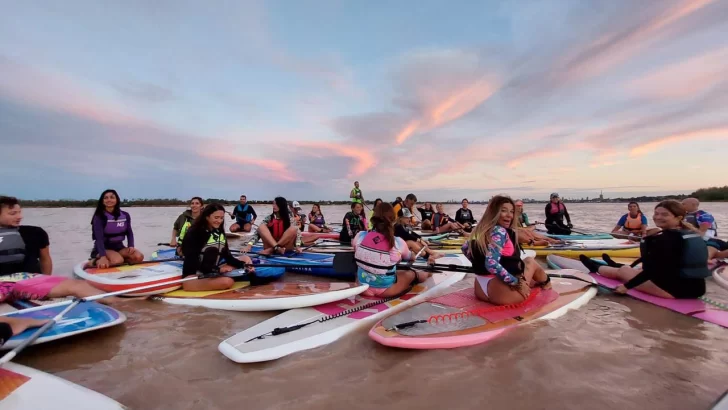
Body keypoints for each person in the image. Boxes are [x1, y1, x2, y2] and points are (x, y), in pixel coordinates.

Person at [579, 200, 708, 299]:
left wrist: (625, 287)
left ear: (678, 218)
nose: (658, 217)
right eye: (656, 213)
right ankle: (610, 265)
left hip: (675, 290)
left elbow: (652, 270)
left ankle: (595, 268)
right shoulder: (693, 234)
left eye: (664, 214)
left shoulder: (666, 238)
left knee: (624, 272)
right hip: (698, 288)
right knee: (634, 270)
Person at [462, 195, 551, 305]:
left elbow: (465, 248)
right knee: (529, 261)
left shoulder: (480, 229)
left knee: (528, 276)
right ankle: (547, 283)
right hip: (500, 294)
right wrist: (516, 282)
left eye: (512, 211)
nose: (509, 215)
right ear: (494, 212)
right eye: (504, 211)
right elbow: (491, 263)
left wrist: (480, 264)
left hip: (480, 288)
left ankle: (535, 282)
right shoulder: (500, 231)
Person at [352, 203, 429, 297]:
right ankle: (429, 272)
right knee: (411, 274)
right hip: (386, 290)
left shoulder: (360, 235)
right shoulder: (398, 242)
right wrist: (411, 256)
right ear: (393, 220)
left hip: (362, 288)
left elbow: (358, 249)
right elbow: (410, 257)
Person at [181, 203, 255, 291]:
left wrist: (244, 265)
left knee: (245, 258)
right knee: (228, 282)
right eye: (216, 218)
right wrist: (218, 269)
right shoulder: (194, 233)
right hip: (194, 276)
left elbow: (228, 257)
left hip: (213, 272)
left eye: (221, 218)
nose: (219, 221)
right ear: (207, 217)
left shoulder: (219, 233)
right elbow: (193, 261)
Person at [90, 189, 144, 269]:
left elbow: (129, 232)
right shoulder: (99, 217)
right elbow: (99, 239)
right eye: (106, 198)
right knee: (117, 261)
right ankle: (93, 261)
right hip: (103, 248)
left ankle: (119, 259)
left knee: (139, 257)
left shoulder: (125, 215)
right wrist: (103, 256)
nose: (109, 200)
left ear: (116, 200)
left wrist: (131, 246)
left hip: (119, 247)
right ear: (102, 201)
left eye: (112, 197)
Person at [0, 196, 53, 275]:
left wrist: (46, 280)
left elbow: (45, 259)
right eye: (13, 213)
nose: (19, 217)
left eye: (19, 212)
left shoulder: (36, 232)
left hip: (31, 282)